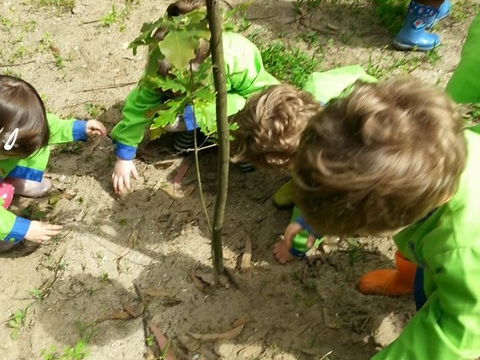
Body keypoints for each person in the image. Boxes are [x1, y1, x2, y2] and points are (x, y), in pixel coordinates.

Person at [284, 76, 480, 359]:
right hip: (429, 234)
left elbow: (451, 335)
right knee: (418, 255)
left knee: (437, 294)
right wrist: (313, 218)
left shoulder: (464, 254)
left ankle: (419, 284)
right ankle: (407, 277)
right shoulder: (416, 142)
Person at [110, 0, 280, 195]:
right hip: (190, 110)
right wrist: (124, 155)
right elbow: (137, 108)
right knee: (167, 118)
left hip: (230, 108)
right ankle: (190, 134)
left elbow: (260, 94)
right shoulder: (157, 71)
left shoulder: (236, 56)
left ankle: (237, 148)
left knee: (238, 121)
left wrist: (255, 132)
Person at [230, 65, 377, 263]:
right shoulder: (316, 87)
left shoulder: (335, 163)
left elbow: (320, 214)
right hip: (374, 100)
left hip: (374, 169)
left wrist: (295, 245)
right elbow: (355, 72)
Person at [0, 75, 106, 252]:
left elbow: (46, 127)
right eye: (12, 152)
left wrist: (78, 128)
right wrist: (23, 229)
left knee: (32, 147)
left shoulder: (15, 123)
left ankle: (12, 180)